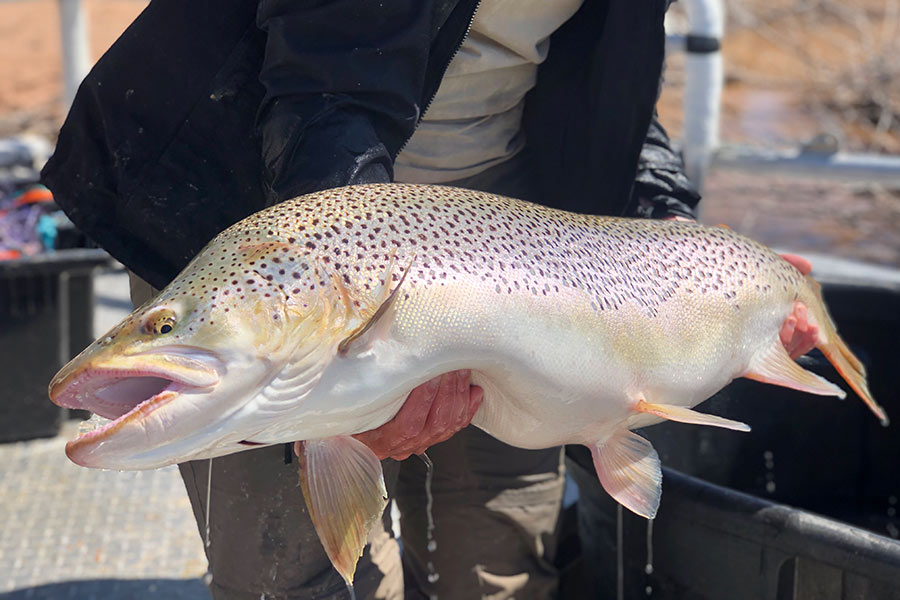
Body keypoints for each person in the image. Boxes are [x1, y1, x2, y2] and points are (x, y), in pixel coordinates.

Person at [41, 0, 818, 598]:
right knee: (288, 578)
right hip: (248, 206)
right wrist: (359, 337)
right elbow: (325, 94)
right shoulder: (310, 264)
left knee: (498, 556)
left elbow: (606, 88)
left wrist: (676, 238)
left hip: (505, 246)